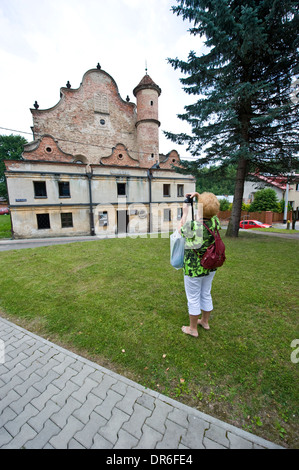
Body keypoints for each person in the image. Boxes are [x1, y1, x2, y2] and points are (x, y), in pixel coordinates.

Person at [178, 191, 221, 337]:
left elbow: (180, 230)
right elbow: (207, 214)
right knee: (206, 293)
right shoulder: (215, 222)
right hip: (210, 265)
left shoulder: (193, 226)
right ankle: (205, 321)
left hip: (194, 268)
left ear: (200, 209)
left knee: (193, 297)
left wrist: (184, 213)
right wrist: (198, 197)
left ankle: (193, 329)